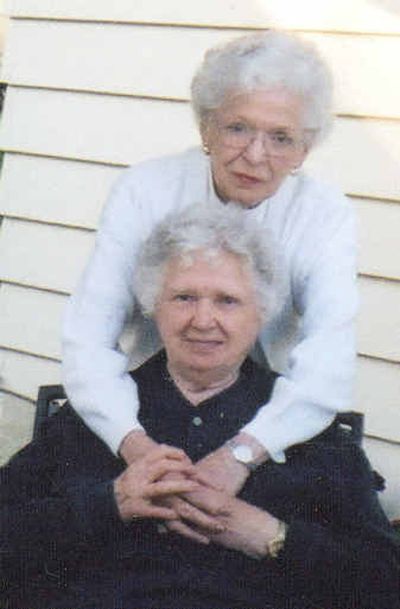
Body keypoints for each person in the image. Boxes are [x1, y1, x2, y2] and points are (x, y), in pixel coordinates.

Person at [2, 205, 398, 609]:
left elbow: (384, 582)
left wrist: (268, 534)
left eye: (227, 301)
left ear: (261, 313)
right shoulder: (98, 412)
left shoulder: (306, 426)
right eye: (184, 297)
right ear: (154, 305)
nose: (203, 320)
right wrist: (109, 504)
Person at [62, 30, 358, 526]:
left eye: (281, 137)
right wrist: (137, 447)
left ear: (305, 149)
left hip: (271, 420)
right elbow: (89, 333)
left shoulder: (324, 215)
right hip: (145, 406)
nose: (256, 155)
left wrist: (242, 454)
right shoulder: (146, 188)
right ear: (206, 127)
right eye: (238, 128)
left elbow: (329, 355)